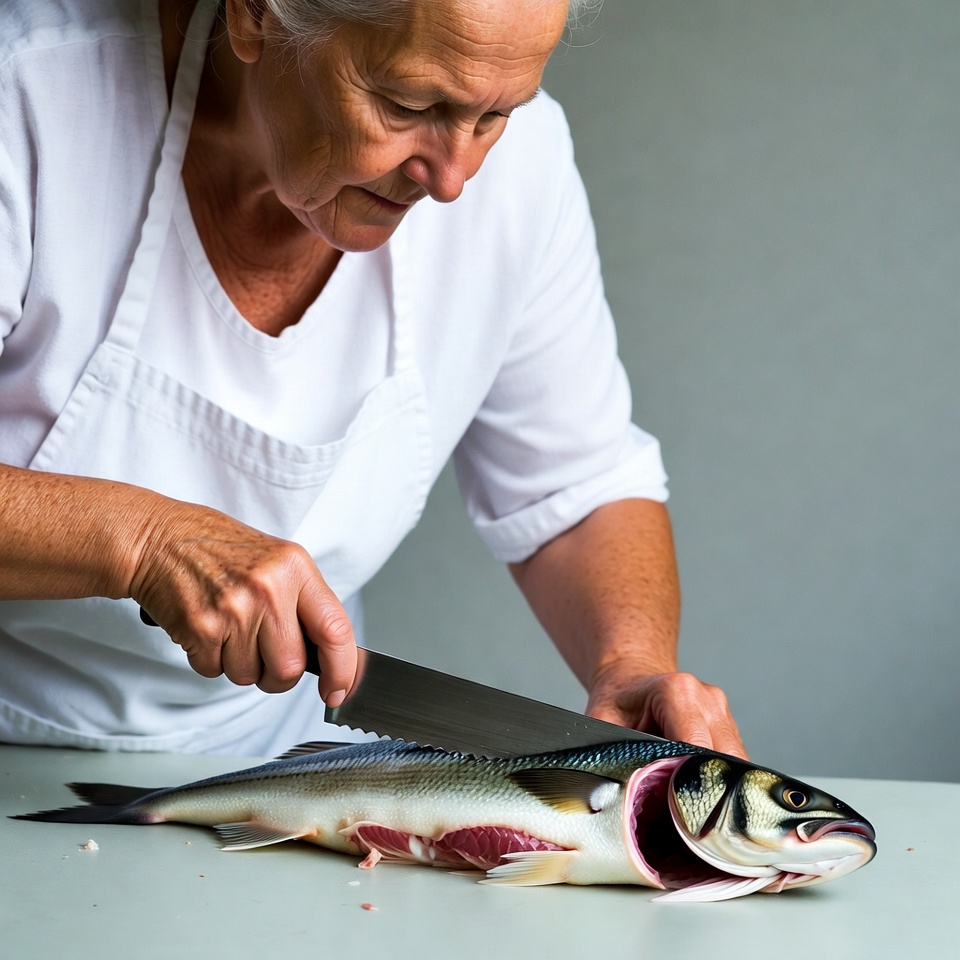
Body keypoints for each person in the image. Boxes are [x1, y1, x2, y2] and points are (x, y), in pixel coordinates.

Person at [0, 0, 745, 757]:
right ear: (254, 15)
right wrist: (144, 540)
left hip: (267, 762)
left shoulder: (523, 172)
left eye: (494, 119)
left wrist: (630, 661)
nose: (454, 179)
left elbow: (573, 487)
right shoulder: (25, 93)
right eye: (408, 104)